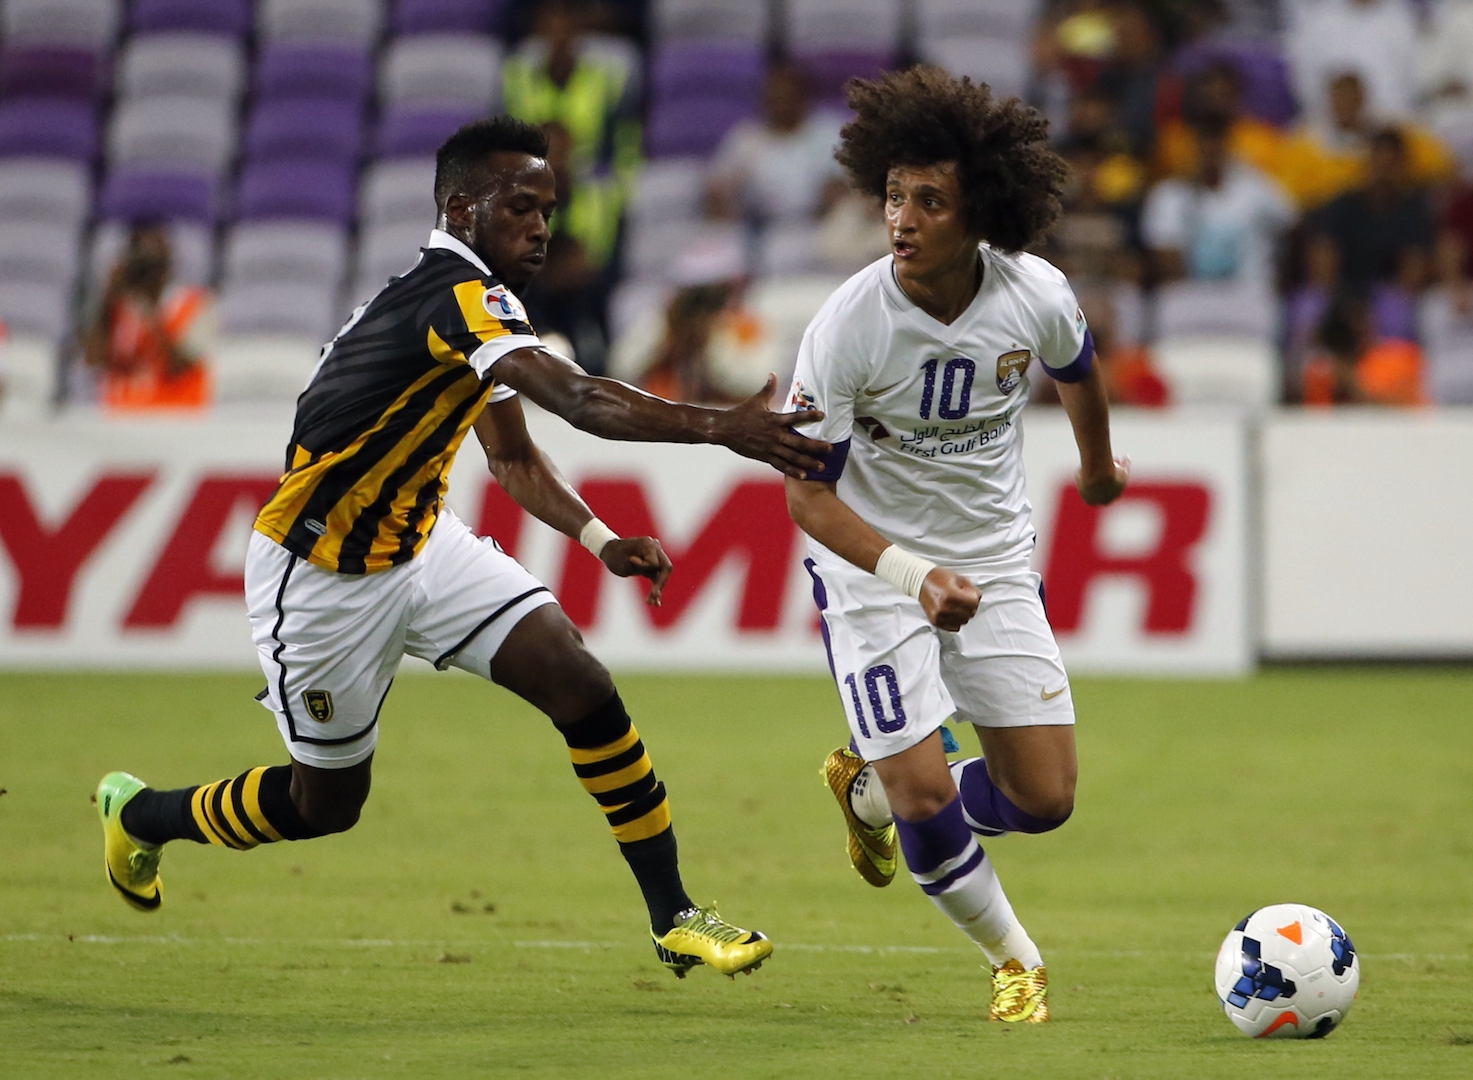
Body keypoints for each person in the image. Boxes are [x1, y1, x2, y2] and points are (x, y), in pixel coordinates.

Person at [94, 117, 834, 980]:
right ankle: (142, 816)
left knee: (580, 682)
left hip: (421, 547)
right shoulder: (457, 296)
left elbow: (513, 457)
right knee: (324, 805)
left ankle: (672, 914)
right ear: (461, 207)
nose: (541, 227)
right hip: (322, 574)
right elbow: (582, 400)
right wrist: (723, 428)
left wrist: (598, 538)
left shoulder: (469, 313)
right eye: (521, 207)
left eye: (548, 209)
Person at [782, 68, 1128, 1023]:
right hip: (873, 571)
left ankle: (868, 791)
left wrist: (1095, 470)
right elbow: (805, 497)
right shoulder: (848, 324)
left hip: (995, 561)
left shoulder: (1033, 293)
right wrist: (908, 572)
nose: (902, 217)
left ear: (980, 212)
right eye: (894, 196)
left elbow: (1078, 368)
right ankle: (1015, 961)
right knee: (925, 794)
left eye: (929, 200)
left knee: (1044, 797)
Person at [1141, 114, 1294, 287]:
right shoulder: (1169, 195)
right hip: (1191, 296)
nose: (1209, 150)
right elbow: (1165, 255)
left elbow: (1293, 226)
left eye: (1215, 141)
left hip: (1251, 295)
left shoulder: (1258, 188)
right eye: (1203, 142)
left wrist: (1280, 278)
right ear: (1191, 148)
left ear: (1228, 145)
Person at [82, 222, 213, 411]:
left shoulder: (196, 304)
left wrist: (150, 310)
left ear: (169, 264)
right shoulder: (119, 307)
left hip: (179, 417)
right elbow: (94, 360)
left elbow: (179, 365)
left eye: (154, 263)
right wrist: (108, 299)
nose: (148, 271)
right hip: (124, 417)